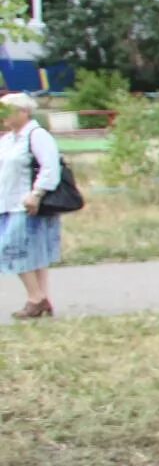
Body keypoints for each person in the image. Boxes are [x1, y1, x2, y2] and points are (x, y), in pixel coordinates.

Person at [1, 93, 65, 320]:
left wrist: (36, 194)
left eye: (7, 110)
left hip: (28, 203)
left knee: (10, 250)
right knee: (32, 254)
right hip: (7, 203)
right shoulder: (9, 139)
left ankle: (35, 298)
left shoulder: (37, 136)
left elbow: (50, 168)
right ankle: (42, 299)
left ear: (23, 112)